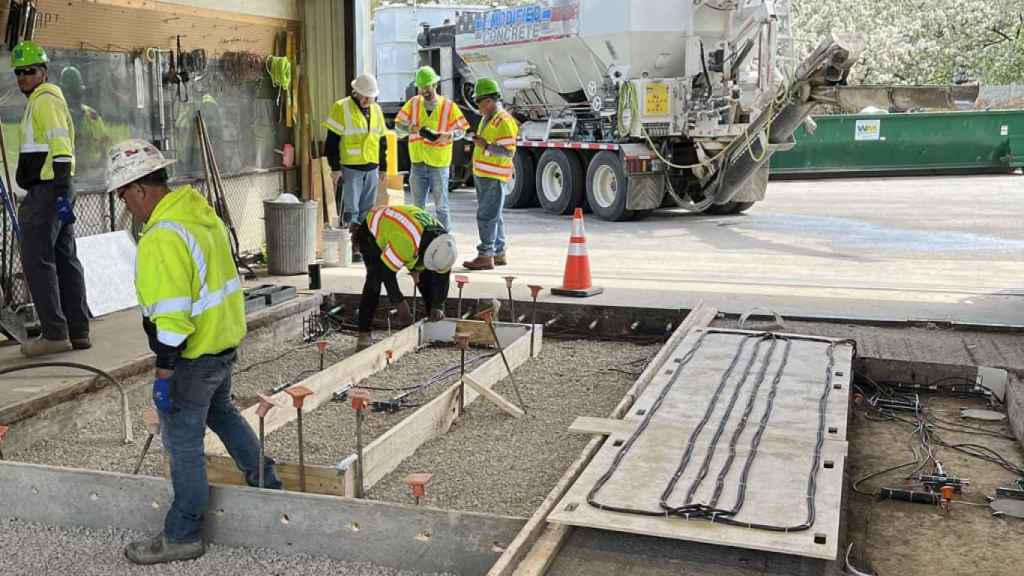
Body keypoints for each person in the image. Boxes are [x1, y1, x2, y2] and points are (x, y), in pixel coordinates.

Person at [106, 139, 281, 565]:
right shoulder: (201, 216)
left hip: (192, 354)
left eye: (124, 197)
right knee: (221, 413)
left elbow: (172, 320)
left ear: (139, 189)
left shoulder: (162, 237)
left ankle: (183, 533)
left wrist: (163, 375)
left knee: (182, 441)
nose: (127, 207)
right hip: (221, 344)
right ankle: (268, 485)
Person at [11, 41, 90, 356]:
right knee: (64, 259)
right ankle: (77, 330)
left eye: (29, 71)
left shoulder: (45, 100)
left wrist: (58, 190)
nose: (23, 78)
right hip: (55, 189)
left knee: (37, 260)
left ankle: (55, 334)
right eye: (19, 73)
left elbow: (60, 146)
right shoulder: (44, 101)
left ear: (43, 72)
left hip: (47, 190)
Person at [354, 205, 456, 350]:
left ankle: (431, 323)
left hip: (404, 233)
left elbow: (443, 276)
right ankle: (364, 331)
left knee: (427, 278)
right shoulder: (406, 243)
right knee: (374, 279)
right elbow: (387, 273)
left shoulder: (445, 246)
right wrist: (400, 305)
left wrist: (437, 305)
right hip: (373, 231)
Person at [395, 65, 469, 230]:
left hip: (439, 164)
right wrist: (410, 129)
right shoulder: (413, 104)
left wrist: (448, 135)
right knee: (417, 209)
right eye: (421, 87)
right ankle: (419, 240)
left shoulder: (448, 106)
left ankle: (444, 240)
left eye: (427, 86)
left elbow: (462, 130)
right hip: (418, 163)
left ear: (435, 85)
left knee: (441, 207)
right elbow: (398, 128)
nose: (424, 90)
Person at [463, 78, 517, 270]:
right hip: (485, 174)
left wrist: (485, 145)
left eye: (479, 102)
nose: (478, 106)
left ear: (489, 101)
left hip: (493, 176)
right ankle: (498, 252)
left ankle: (486, 255)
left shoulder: (503, 121)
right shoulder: (489, 118)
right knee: (495, 215)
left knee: (487, 216)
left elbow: (508, 150)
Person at [323, 73, 386, 229]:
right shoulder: (341, 107)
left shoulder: (377, 110)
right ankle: (351, 246)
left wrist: (384, 166)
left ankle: (363, 245)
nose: (366, 101)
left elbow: (382, 141)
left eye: (370, 97)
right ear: (356, 92)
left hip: (372, 168)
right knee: (351, 212)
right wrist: (335, 168)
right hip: (351, 169)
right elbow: (332, 141)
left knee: (368, 211)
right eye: (364, 96)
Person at [58, 65, 110, 184]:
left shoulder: (91, 115)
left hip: (93, 175)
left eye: (75, 92)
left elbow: (104, 144)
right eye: (72, 92)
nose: (74, 96)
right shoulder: (60, 115)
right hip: (73, 177)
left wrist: (102, 168)